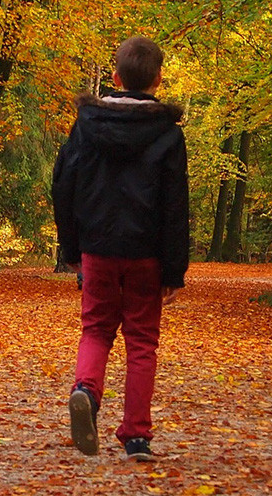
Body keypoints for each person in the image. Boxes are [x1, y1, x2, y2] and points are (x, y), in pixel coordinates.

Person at [52, 36, 190, 462]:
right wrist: (173, 269)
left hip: (97, 246)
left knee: (96, 329)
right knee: (142, 342)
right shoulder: (167, 135)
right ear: (158, 80)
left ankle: (86, 392)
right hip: (146, 253)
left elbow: (64, 185)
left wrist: (70, 247)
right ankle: (136, 437)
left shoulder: (88, 126)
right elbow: (174, 205)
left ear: (114, 77)